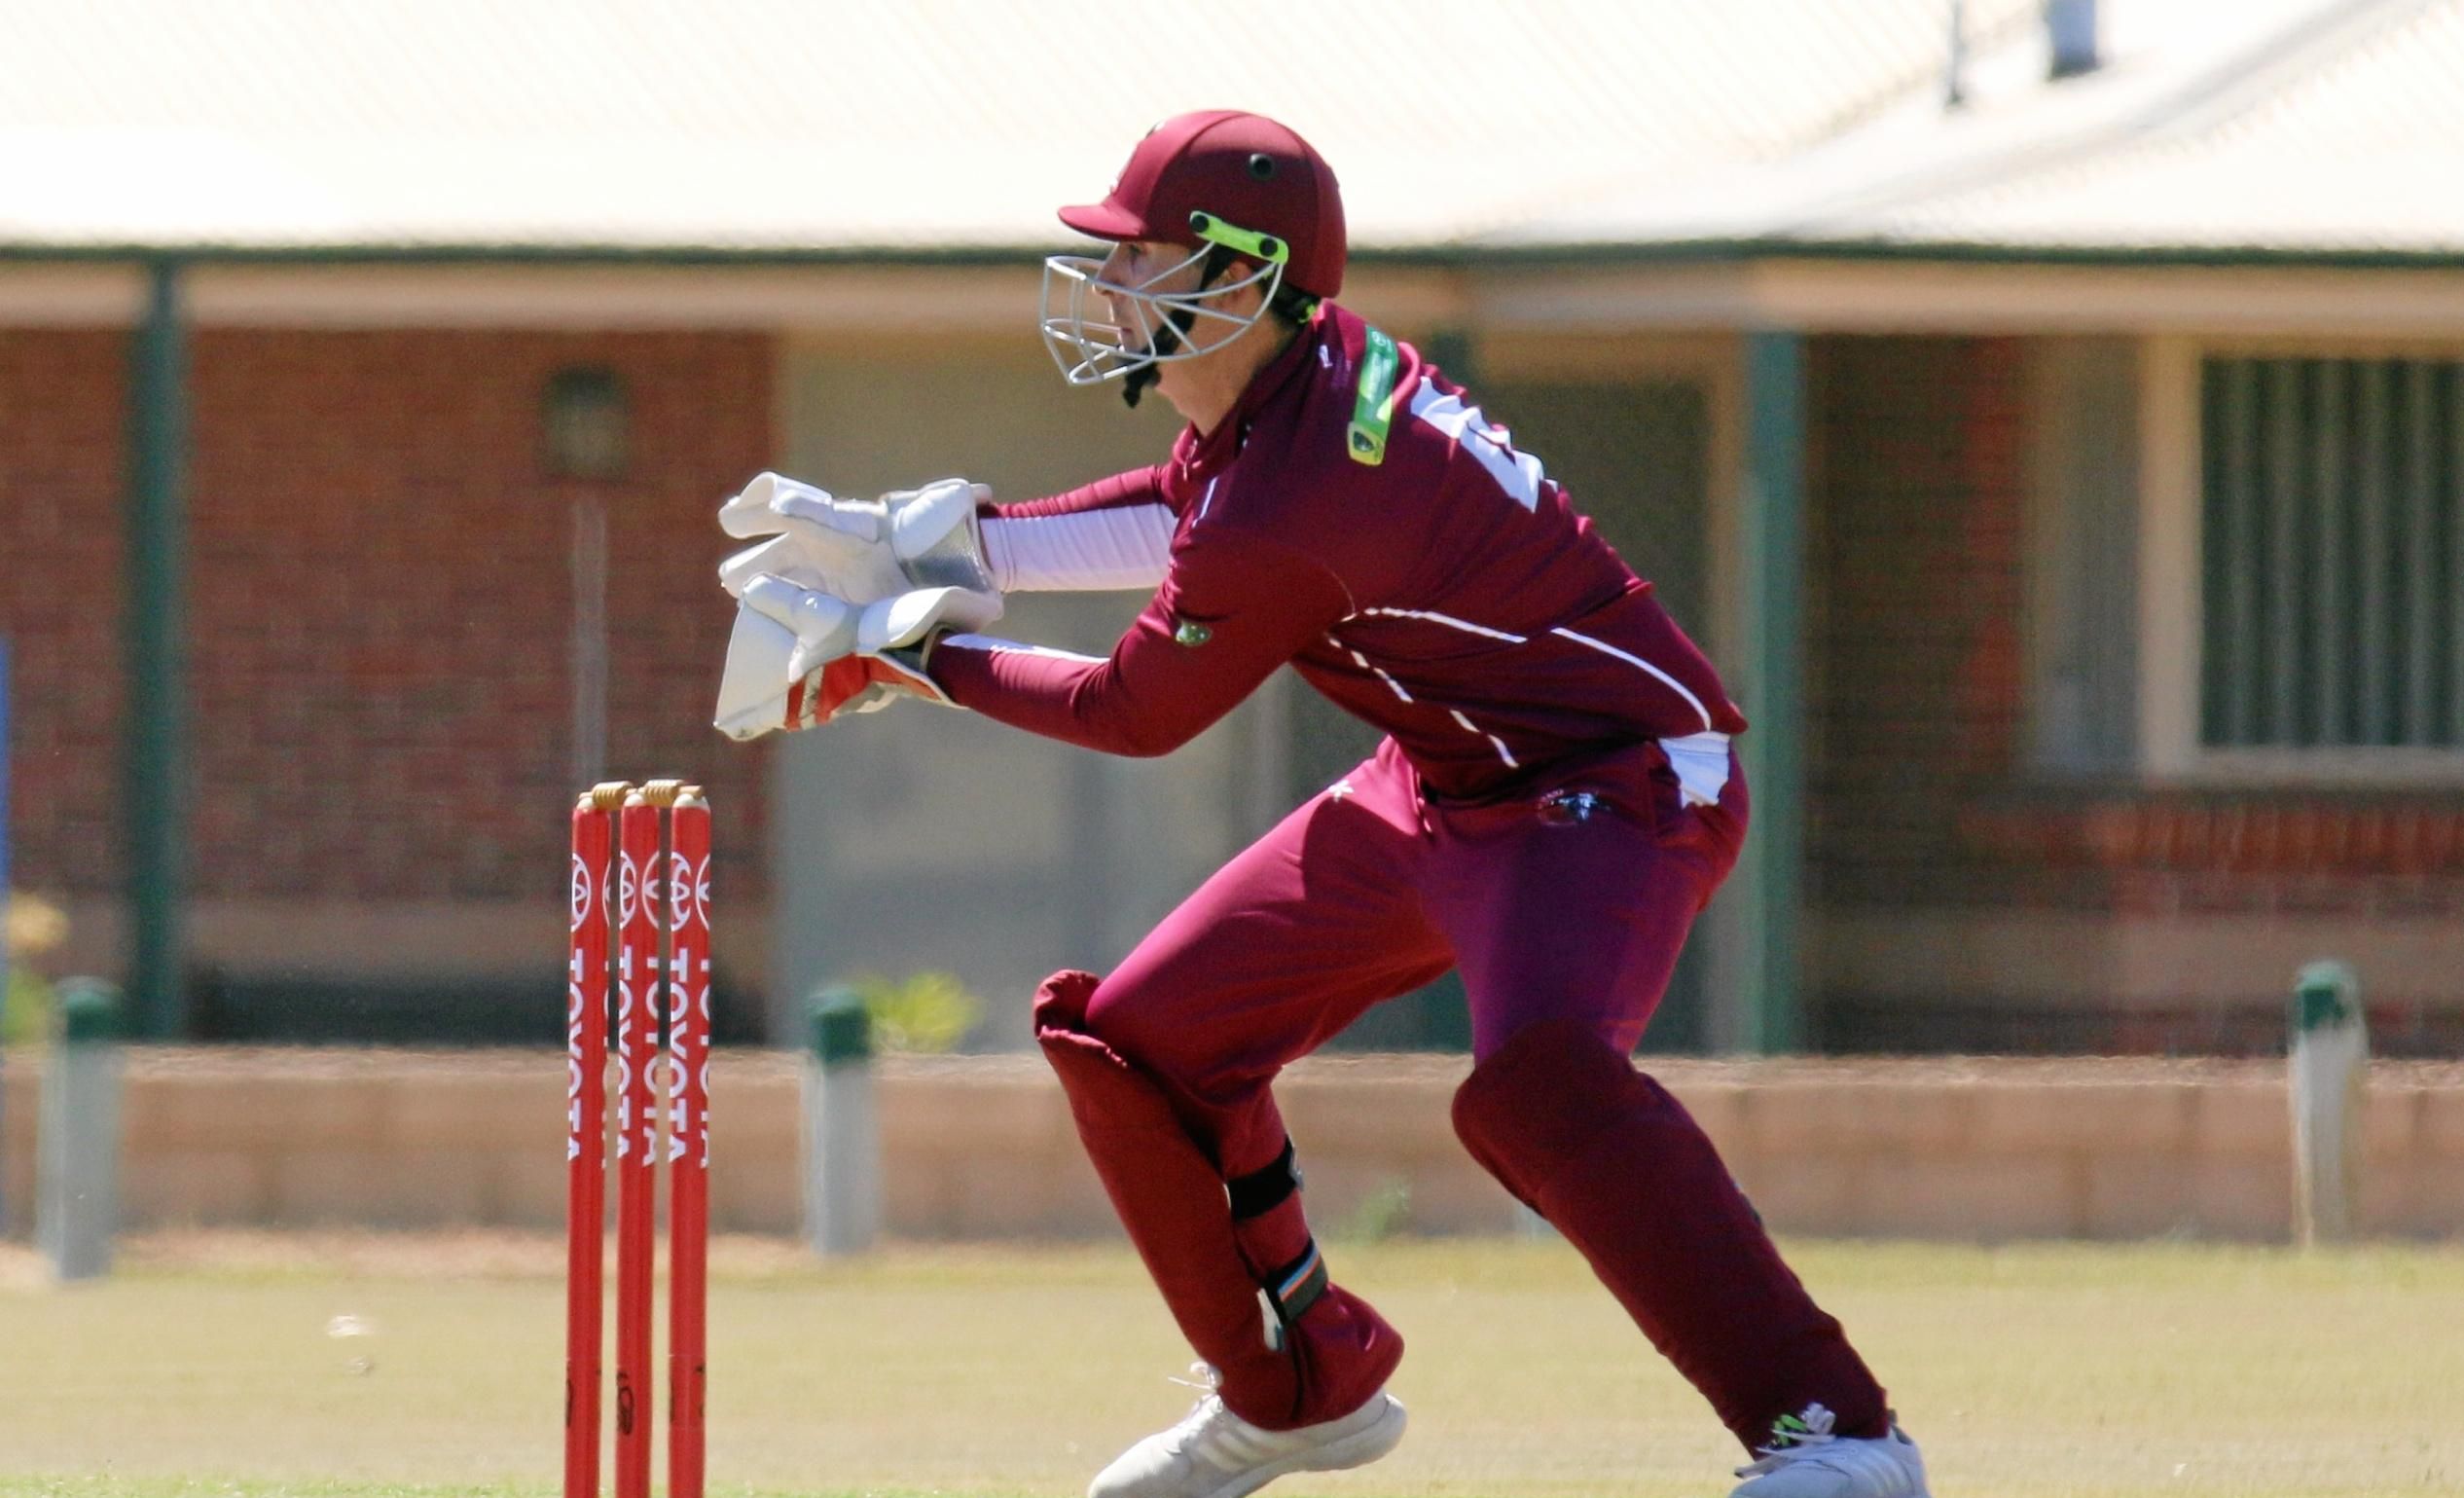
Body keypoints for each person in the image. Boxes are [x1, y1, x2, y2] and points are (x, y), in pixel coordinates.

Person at [717, 109, 1930, 1498]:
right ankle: (1298, 1392)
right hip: (1450, 779)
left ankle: (1841, 1437)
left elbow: (1137, 710)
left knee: (1539, 1088)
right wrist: (920, 546)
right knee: (1145, 1045)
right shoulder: (1293, 396)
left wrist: (919, 652)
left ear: (1242, 279)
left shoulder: (1304, 492)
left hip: (1617, 779)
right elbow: (1185, 513)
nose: (1111, 289)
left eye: (1145, 261)